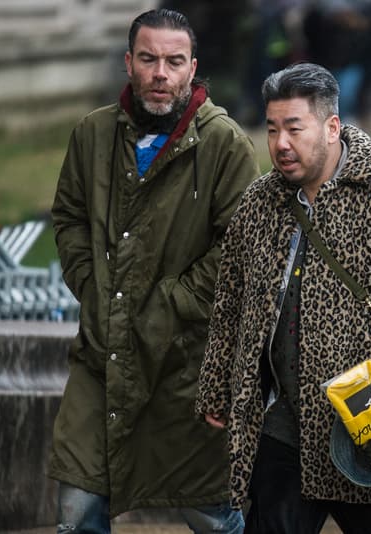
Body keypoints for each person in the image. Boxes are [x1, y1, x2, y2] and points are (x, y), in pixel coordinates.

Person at [196, 62, 371, 533]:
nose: (279, 143)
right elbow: (230, 303)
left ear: (332, 126)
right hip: (280, 423)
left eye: (294, 129)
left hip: (362, 426)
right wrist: (218, 385)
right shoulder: (259, 204)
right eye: (273, 128)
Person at [47, 8, 259, 533]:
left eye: (173, 61)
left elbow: (241, 249)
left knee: (210, 514)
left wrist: (171, 303)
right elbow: (70, 217)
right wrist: (91, 284)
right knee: (76, 513)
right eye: (148, 59)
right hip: (101, 357)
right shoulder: (92, 134)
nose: (160, 73)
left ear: (192, 68)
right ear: (128, 62)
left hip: (186, 366)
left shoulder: (225, 144)